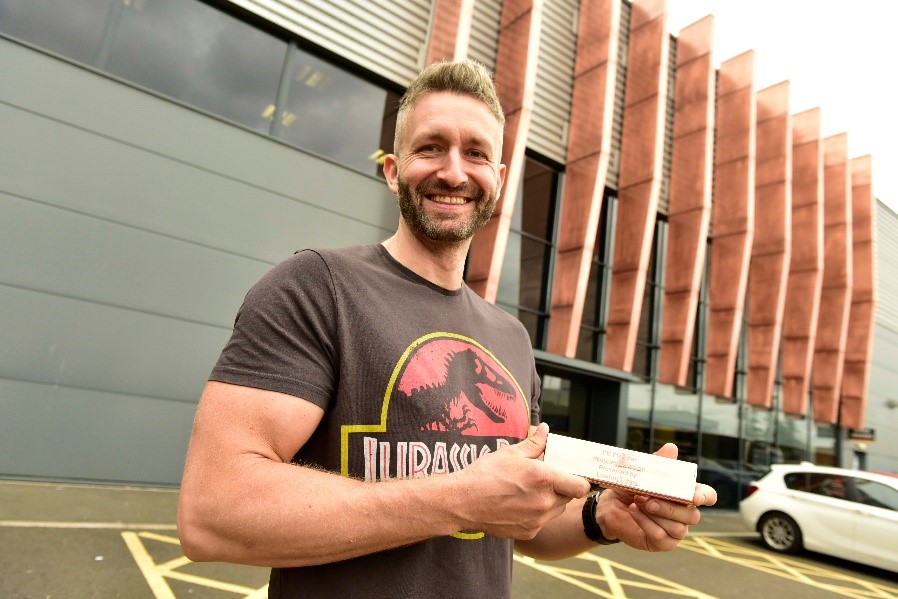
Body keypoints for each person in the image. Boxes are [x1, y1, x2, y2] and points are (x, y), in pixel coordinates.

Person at [176, 59, 717, 598]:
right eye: (431, 147)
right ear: (391, 169)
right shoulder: (317, 288)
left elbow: (512, 521)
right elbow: (213, 512)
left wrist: (602, 516)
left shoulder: (511, 337)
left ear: (499, 181)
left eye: (476, 153)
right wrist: (460, 497)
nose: (454, 172)